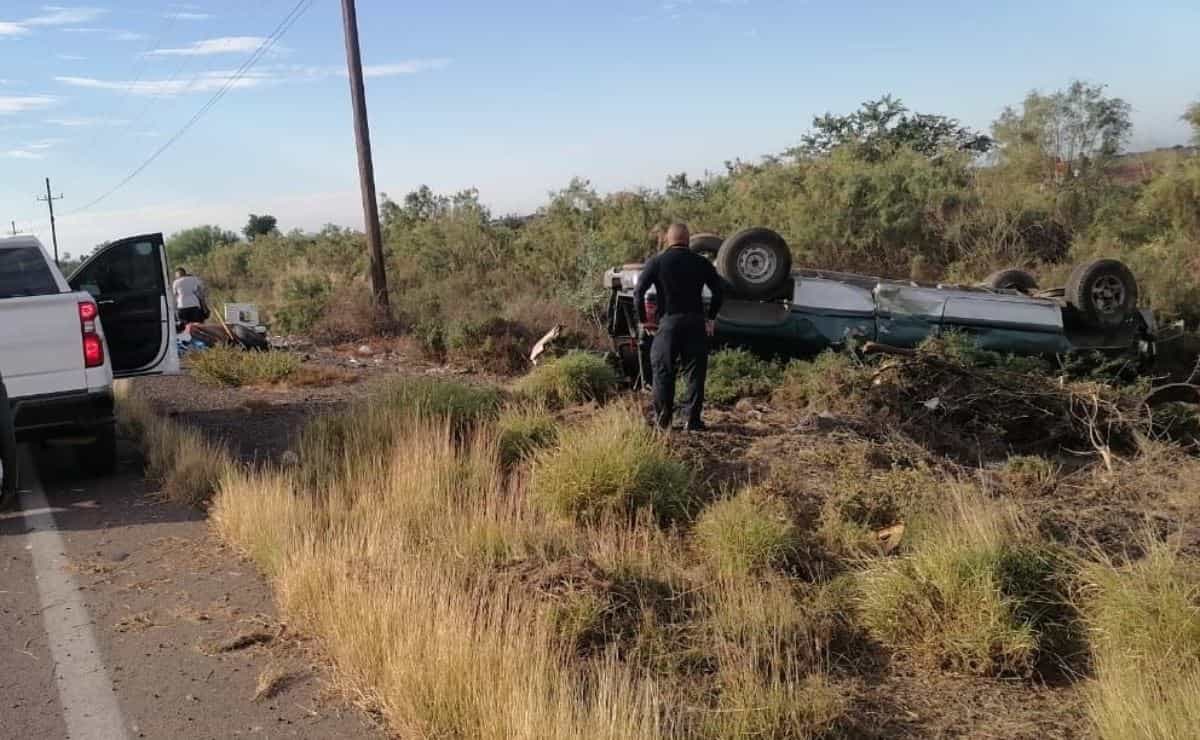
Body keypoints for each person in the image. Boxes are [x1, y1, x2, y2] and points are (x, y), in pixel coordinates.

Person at [634, 223, 725, 431]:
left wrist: (643, 320)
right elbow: (719, 291)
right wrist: (710, 318)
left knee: (663, 372)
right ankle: (692, 421)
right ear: (688, 239)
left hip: (668, 323)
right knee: (694, 373)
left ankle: (663, 422)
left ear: (668, 239)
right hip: (695, 323)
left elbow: (639, 292)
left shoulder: (657, 262)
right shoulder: (701, 262)